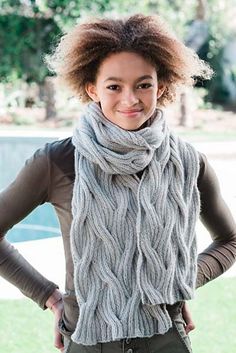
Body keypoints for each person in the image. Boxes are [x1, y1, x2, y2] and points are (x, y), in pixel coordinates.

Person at [0, 14, 236, 353]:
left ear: (162, 86)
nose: (131, 99)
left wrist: (178, 280)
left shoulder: (188, 162)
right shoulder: (58, 162)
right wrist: (49, 297)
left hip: (165, 338)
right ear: (92, 88)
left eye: (144, 84)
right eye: (114, 86)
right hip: (87, 340)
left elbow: (230, 240)